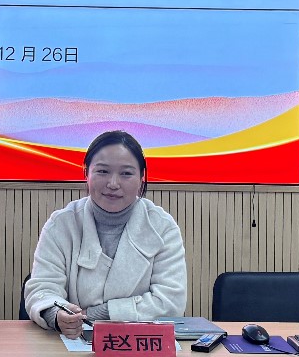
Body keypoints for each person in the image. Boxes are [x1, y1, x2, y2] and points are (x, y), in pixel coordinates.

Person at [24, 130, 187, 338]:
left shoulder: (162, 227)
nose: (113, 184)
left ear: (141, 178)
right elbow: (41, 289)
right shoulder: (61, 224)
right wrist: (57, 315)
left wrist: (98, 314)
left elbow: (171, 302)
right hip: (71, 343)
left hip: (140, 344)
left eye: (126, 173)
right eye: (102, 171)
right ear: (86, 173)